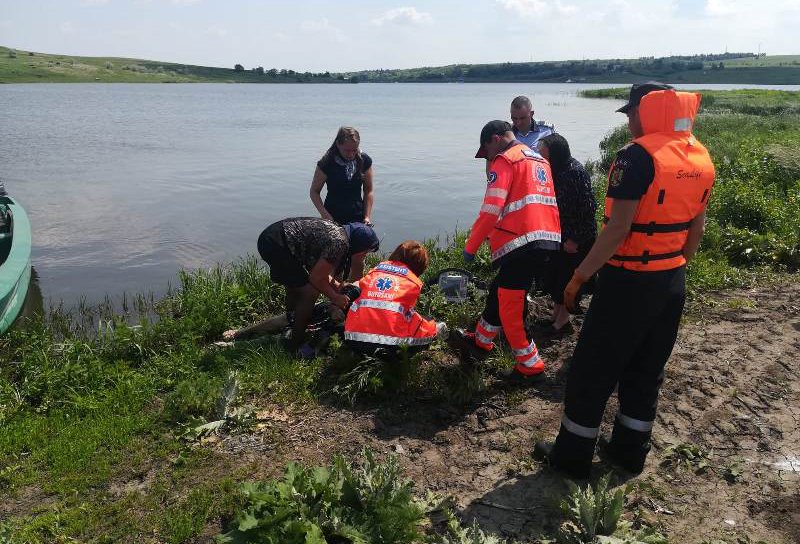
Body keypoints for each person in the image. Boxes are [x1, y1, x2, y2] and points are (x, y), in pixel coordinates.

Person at [534, 82, 716, 479]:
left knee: (593, 368)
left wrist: (579, 277)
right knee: (647, 367)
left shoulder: (635, 158)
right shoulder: (699, 155)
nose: (630, 120)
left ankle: (571, 455)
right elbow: (696, 230)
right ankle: (630, 450)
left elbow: (618, 230)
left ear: (646, 112)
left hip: (629, 281)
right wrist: (673, 268)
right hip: (671, 280)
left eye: (631, 112)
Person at [454, 121, 561, 379]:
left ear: (495, 139)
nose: (488, 159)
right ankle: (481, 341)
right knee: (499, 291)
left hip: (520, 243)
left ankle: (530, 364)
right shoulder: (538, 159)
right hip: (546, 241)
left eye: (487, 152)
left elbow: (491, 209)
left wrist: (471, 247)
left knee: (510, 308)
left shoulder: (506, 161)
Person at [223, 218, 379, 358]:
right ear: (359, 245)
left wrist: (337, 286)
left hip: (272, 238)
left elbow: (317, 270)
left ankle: (290, 323)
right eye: (365, 251)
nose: (365, 255)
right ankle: (295, 340)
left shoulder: (339, 232)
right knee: (310, 292)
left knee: (294, 286)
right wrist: (335, 297)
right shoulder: (340, 243)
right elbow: (316, 278)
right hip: (279, 245)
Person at [538, 133, 597, 334]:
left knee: (565, 279)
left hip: (574, 239)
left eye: (544, 156)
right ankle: (555, 315)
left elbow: (588, 209)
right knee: (555, 277)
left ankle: (562, 321)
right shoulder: (556, 170)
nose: (541, 159)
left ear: (556, 155)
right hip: (559, 236)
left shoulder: (574, 173)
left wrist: (574, 240)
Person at [344, 240, 447, 355]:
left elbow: (355, 287)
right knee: (427, 324)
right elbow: (409, 314)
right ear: (420, 265)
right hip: (393, 346)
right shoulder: (412, 281)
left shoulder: (375, 271)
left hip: (353, 339)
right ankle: (438, 330)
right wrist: (431, 326)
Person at [310, 126, 375, 280]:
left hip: (357, 216)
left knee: (358, 258)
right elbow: (314, 192)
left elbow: (369, 191)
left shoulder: (364, 160)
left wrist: (367, 216)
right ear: (338, 144)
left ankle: (354, 292)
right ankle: (335, 295)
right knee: (334, 260)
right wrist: (325, 216)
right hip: (333, 216)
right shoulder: (327, 162)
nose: (351, 154)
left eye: (354, 150)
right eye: (347, 150)